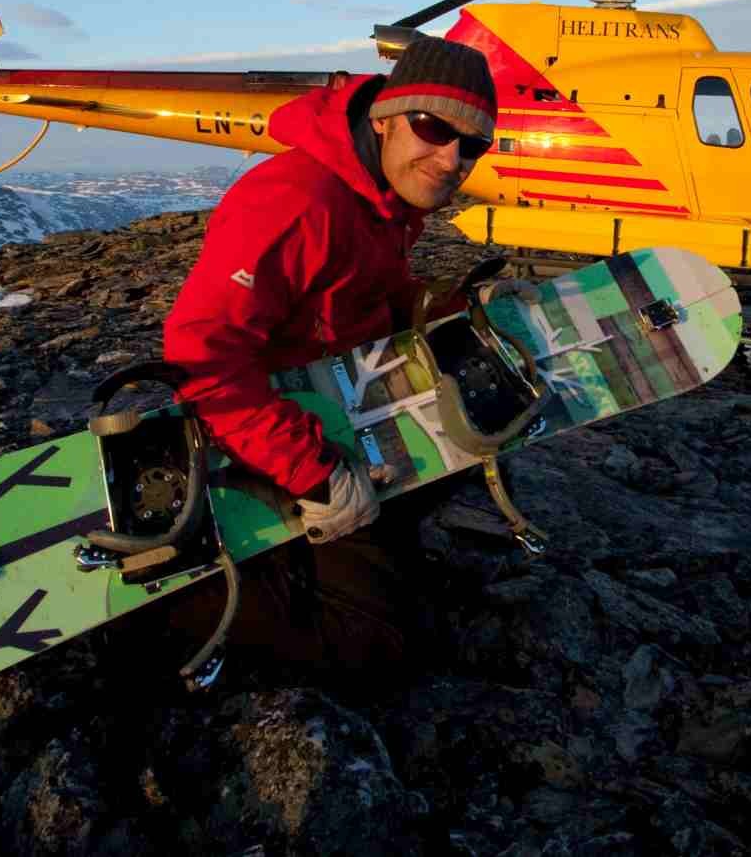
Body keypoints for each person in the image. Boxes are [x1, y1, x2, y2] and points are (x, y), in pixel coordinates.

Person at [155, 35, 499, 680]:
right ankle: (159, 613)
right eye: (433, 128)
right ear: (385, 118)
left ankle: (350, 555)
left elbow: (370, 300)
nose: (452, 158)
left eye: (472, 145)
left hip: (332, 410)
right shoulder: (299, 202)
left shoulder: (384, 197)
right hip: (255, 439)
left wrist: (452, 309)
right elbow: (202, 356)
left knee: (471, 437)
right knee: (377, 643)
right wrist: (311, 471)